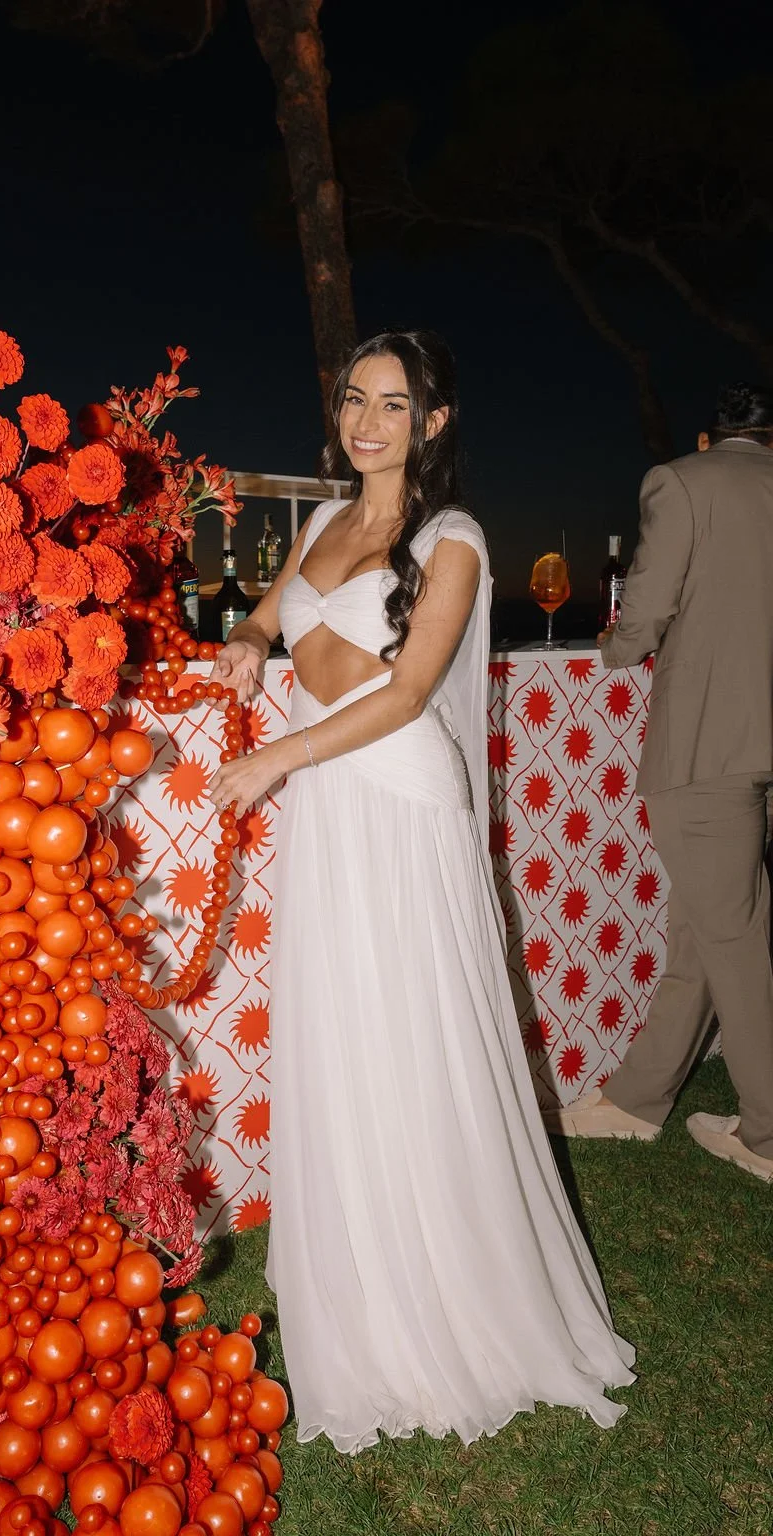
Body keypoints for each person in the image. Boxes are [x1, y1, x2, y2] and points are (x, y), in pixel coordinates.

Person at [205, 330, 634, 1454]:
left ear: (433, 424)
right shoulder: (318, 525)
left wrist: (274, 759)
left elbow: (405, 697)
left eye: (393, 406)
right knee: (347, 1039)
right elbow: (272, 611)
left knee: (417, 1041)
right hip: (332, 816)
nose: (367, 422)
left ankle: (453, 1303)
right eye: (356, 400)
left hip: (394, 803)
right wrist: (252, 641)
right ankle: (365, 1280)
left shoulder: (453, 539)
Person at [552, 383, 773, 1183]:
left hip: (709, 742)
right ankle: (638, 1100)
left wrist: (615, 647)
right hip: (758, 743)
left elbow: (643, 611)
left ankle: (768, 1132)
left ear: (711, 437)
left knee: (735, 937)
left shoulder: (680, 481)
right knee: (710, 926)